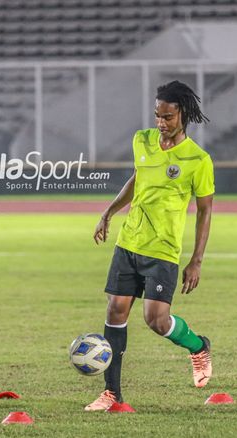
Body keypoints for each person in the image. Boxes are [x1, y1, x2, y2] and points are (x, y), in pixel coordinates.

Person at [87, 80, 214, 411]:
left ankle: (198, 347)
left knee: (157, 320)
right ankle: (112, 393)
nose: (161, 123)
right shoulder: (141, 140)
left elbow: (204, 210)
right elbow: (137, 178)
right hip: (129, 242)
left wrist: (196, 260)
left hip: (163, 251)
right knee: (115, 310)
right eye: (158, 115)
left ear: (182, 114)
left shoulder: (198, 160)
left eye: (168, 116)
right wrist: (109, 212)